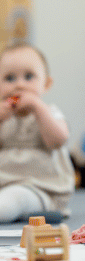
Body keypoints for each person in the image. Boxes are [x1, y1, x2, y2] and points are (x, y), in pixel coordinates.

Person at [0, 43, 75, 222]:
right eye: (9, 78)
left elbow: (57, 140)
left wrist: (37, 107)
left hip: (40, 188)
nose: (19, 85)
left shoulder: (49, 112)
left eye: (29, 76)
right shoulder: (4, 116)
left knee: (12, 201)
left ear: (46, 84)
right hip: (4, 184)